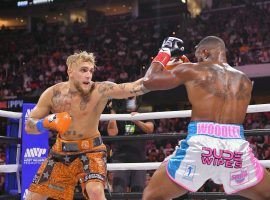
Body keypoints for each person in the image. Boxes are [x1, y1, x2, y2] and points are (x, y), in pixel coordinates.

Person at [141, 36, 270, 200]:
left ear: (205, 51)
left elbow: (149, 80)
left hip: (201, 145)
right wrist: (188, 68)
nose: (197, 60)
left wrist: (165, 51)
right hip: (236, 150)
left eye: (198, 56)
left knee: (151, 196)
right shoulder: (244, 80)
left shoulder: (192, 70)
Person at [24, 51, 149, 200]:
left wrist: (160, 62)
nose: (88, 75)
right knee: (34, 197)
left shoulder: (100, 90)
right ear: (70, 71)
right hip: (61, 153)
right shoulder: (52, 94)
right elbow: (29, 125)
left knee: (95, 191)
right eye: (83, 70)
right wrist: (43, 123)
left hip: (92, 151)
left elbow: (134, 87)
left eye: (91, 71)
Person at [107, 97, 154, 194]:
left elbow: (150, 129)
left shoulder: (143, 112)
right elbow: (112, 133)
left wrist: (137, 120)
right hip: (120, 160)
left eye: (132, 97)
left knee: (138, 193)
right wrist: (113, 110)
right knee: (118, 193)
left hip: (139, 159)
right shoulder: (119, 114)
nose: (129, 99)